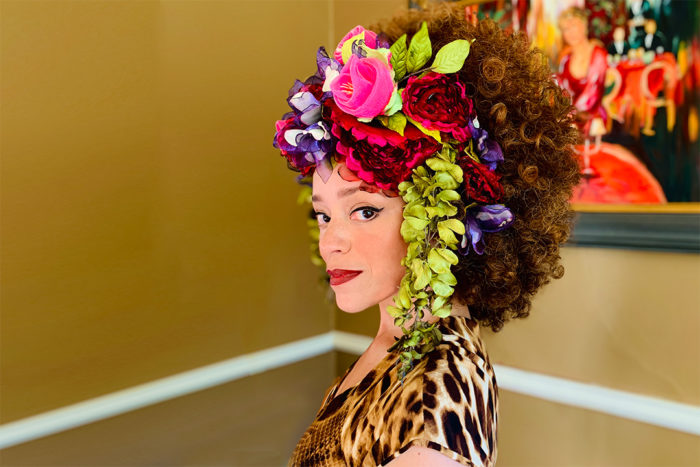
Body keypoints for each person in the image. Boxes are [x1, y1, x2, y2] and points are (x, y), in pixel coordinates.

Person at [273, 4, 580, 466]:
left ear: (442, 211)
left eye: (364, 210)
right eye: (325, 216)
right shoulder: (396, 345)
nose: (330, 242)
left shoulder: (431, 406)